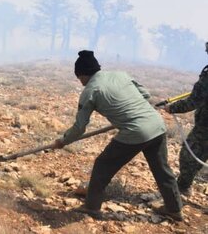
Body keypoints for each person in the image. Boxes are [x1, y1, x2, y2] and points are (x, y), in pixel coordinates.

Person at [54, 50, 183, 220]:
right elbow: (145, 94)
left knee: (102, 165)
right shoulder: (120, 75)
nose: (80, 83)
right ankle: (174, 209)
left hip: (136, 131)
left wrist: (63, 141)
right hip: (157, 124)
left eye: (79, 78)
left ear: (83, 74)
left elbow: (79, 128)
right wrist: (127, 110)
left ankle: (92, 207)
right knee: (161, 169)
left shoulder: (90, 91)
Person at [164, 41, 208, 197]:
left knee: (189, 155)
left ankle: (183, 187)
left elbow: (193, 101)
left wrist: (172, 108)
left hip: (205, 130)